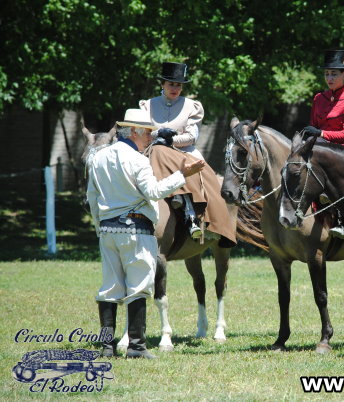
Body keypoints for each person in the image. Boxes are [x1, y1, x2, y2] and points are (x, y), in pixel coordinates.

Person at [87, 108, 204, 359]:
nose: (152, 136)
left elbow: (92, 196)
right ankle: (137, 347)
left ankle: (107, 347)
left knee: (109, 288)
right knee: (138, 287)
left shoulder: (99, 158)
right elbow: (153, 191)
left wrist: (100, 227)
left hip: (108, 231)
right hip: (136, 230)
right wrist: (183, 175)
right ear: (135, 131)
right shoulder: (138, 160)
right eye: (148, 131)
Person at [140, 62, 236, 246]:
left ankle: (202, 219)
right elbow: (143, 132)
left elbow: (192, 136)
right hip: (151, 150)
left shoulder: (192, 106)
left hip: (183, 151)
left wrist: (170, 140)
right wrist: (159, 136)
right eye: (171, 84)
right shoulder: (148, 105)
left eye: (178, 85)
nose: (175, 88)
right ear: (162, 84)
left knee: (209, 180)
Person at [302, 49, 344, 237]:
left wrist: (321, 133)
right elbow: (313, 126)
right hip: (320, 146)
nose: (329, 78)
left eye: (334, 74)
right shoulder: (318, 99)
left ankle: (342, 220)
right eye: (327, 74)